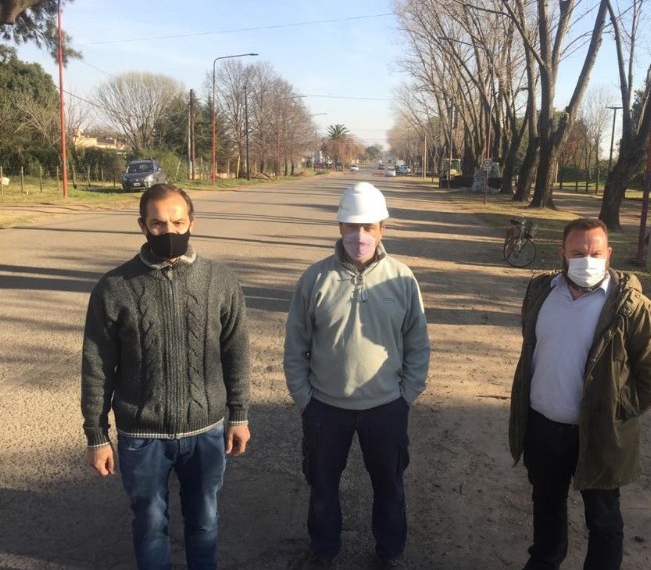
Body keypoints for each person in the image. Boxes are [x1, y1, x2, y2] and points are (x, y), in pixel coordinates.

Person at [81, 183, 251, 570]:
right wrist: (96, 434)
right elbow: (96, 365)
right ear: (142, 225)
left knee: (204, 522)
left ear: (192, 221)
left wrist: (238, 416)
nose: (169, 231)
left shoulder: (220, 281)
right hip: (142, 436)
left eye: (177, 221)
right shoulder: (114, 288)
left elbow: (236, 353)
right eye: (158, 224)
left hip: (205, 432)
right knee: (149, 524)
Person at [508, 217, 651, 570]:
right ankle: (545, 561)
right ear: (563, 253)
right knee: (546, 505)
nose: (588, 259)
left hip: (597, 433)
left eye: (596, 252)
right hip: (542, 427)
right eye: (578, 252)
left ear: (609, 253)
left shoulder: (632, 307)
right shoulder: (541, 292)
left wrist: (618, 408)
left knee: (603, 518)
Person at [284, 181, 431, 568]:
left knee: (389, 486)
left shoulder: (402, 278)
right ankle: (323, 548)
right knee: (322, 486)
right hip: (325, 408)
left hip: (385, 408)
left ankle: (389, 551)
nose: (360, 236)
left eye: (368, 227)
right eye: (352, 226)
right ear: (339, 228)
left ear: (383, 227)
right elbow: (295, 345)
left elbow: (417, 341)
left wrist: (407, 395)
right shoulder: (315, 279)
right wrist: (304, 400)